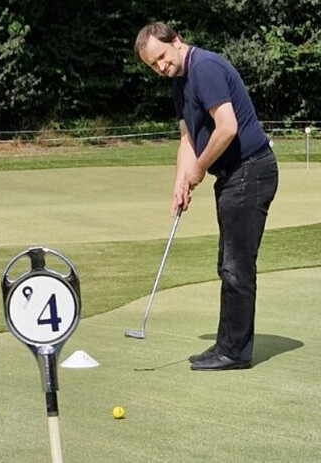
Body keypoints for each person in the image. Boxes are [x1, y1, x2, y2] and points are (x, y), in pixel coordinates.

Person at [134, 22, 278, 371]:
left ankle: (235, 352)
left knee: (236, 266)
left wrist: (198, 169)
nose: (161, 67)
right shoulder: (179, 83)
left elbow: (227, 127)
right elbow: (187, 138)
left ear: (177, 42)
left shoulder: (205, 69)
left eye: (162, 58)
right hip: (233, 177)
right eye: (153, 65)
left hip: (251, 170)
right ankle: (227, 345)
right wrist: (180, 183)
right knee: (227, 264)